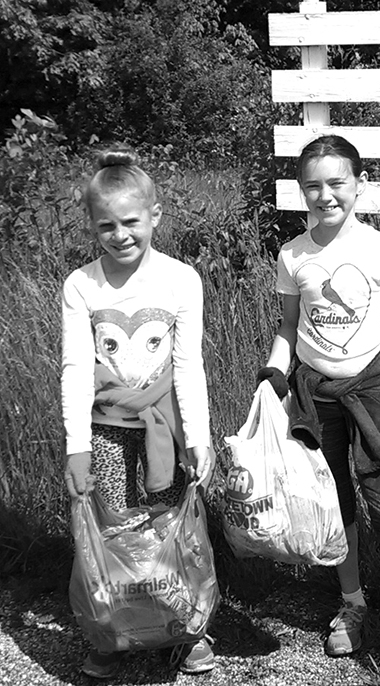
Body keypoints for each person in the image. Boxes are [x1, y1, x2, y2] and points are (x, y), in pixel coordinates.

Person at [257, 134, 380, 678]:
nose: (325, 195)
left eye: (336, 183)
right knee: (332, 501)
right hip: (316, 394)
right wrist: (272, 377)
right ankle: (354, 602)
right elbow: (289, 328)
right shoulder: (293, 254)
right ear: (301, 193)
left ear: (358, 185)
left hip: (376, 388)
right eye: (312, 186)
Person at [61, 147, 215, 679]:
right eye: (107, 224)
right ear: (92, 225)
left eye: (131, 221)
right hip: (104, 433)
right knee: (113, 530)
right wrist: (76, 447)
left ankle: (186, 626)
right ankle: (111, 631)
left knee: (170, 525)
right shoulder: (81, 286)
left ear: (155, 215)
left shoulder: (181, 280)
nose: (120, 234)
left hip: (165, 433)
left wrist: (200, 437)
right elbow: (76, 369)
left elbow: (189, 365)